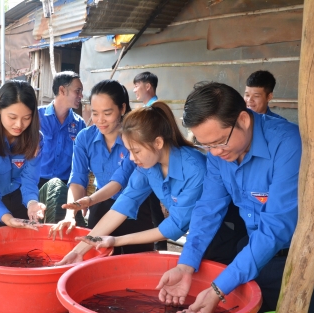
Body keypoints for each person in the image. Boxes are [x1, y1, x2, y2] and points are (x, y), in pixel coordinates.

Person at [157, 82, 314, 313]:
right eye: (206, 146)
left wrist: (218, 288)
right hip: (255, 258)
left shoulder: (287, 144)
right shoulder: (219, 155)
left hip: (307, 261)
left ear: (244, 120)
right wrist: (186, 264)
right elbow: (208, 209)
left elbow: (276, 226)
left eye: (219, 142)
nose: (215, 152)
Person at [54, 100, 206, 265]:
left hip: (218, 234)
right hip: (197, 239)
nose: (132, 158)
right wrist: (77, 251)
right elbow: (123, 204)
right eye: (129, 151)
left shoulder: (194, 167)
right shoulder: (149, 167)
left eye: (136, 151)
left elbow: (176, 224)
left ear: (158, 143)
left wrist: (117, 240)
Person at [50, 80, 155, 255]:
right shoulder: (85, 138)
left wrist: (90, 200)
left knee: (134, 262)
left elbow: (119, 182)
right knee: (97, 259)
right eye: (95, 113)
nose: (100, 120)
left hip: (135, 206)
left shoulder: (134, 139)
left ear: (122, 109)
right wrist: (71, 213)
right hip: (101, 203)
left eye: (107, 113)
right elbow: (77, 178)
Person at [0, 80, 46, 233]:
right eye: (12, 117)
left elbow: (30, 180)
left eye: (26, 118)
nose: (19, 124)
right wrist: (7, 218)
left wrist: (32, 203)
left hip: (20, 200)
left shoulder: (36, 140)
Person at [133, 71, 166, 250]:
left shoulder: (156, 110)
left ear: (148, 86)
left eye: (137, 85)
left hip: (155, 167)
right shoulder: (148, 109)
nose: (134, 90)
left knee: (154, 210)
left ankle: (159, 247)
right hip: (149, 167)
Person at [38, 71, 86, 188]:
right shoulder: (36, 116)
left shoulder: (79, 124)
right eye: (77, 91)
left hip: (64, 186)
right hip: (36, 183)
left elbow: (81, 161)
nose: (81, 96)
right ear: (62, 90)